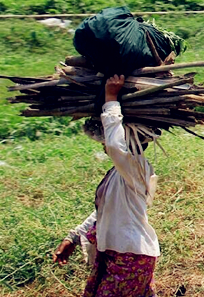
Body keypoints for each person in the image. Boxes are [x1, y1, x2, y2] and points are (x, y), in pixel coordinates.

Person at [53, 74, 160, 297]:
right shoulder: (119, 174)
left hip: (130, 256)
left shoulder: (137, 169)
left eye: (104, 138)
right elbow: (103, 212)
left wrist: (111, 98)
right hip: (114, 253)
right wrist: (73, 237)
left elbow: (114, 145)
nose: (103, 143)